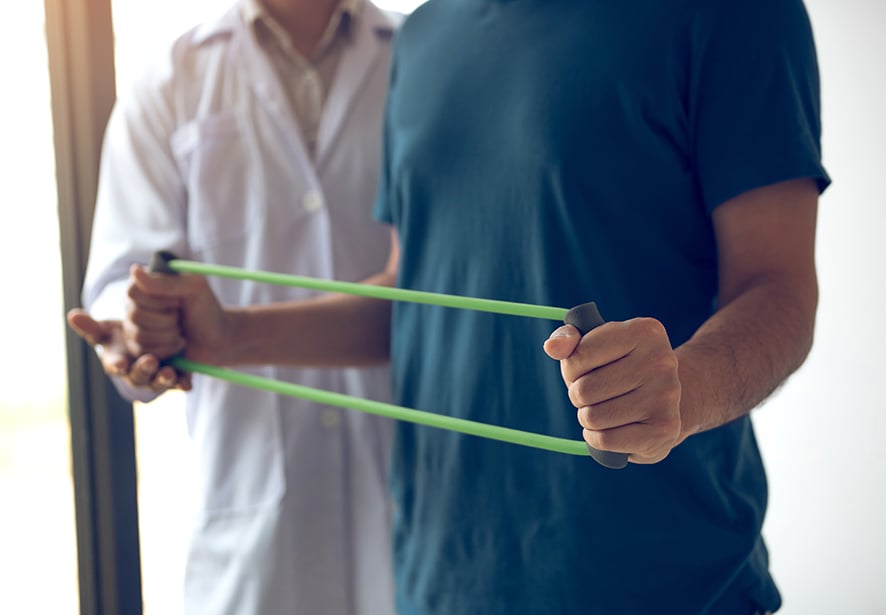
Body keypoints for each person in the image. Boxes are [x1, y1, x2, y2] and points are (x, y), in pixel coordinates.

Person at [116, 0, 830, 613]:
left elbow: (779, 287)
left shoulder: (734, 12)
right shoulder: (423, 37)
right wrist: (230, 336)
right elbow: (413, 295)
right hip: (441, 583)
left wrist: (685, 389)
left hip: (661, 582)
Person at [66, 1, 399, 613]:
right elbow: (123, 280)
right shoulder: (170, 78)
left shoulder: (413, 57)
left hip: (409, 508)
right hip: (251, 529)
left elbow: (437, 286)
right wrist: (135, 329)